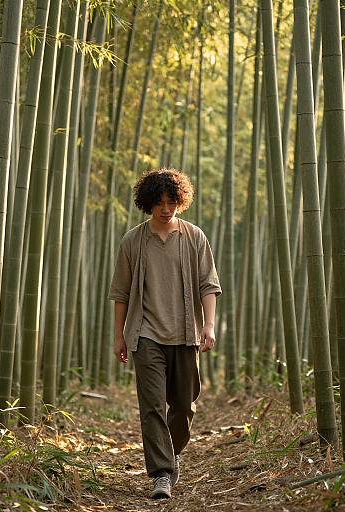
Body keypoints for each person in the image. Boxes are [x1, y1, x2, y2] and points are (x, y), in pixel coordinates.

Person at [108, 168, 222, 499]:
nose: (165, 208)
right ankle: (161, 474)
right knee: (153, 406)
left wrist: (210, 325)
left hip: (186, 333)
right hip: (145, 335)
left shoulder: (194, 237)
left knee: (184, 407)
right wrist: (120, 336)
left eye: (171, 201)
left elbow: (208, 285)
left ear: (180, 201)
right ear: (147, 204)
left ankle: (170, 454)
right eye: (158, 202)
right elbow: (121, 293)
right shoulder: (133, 240)